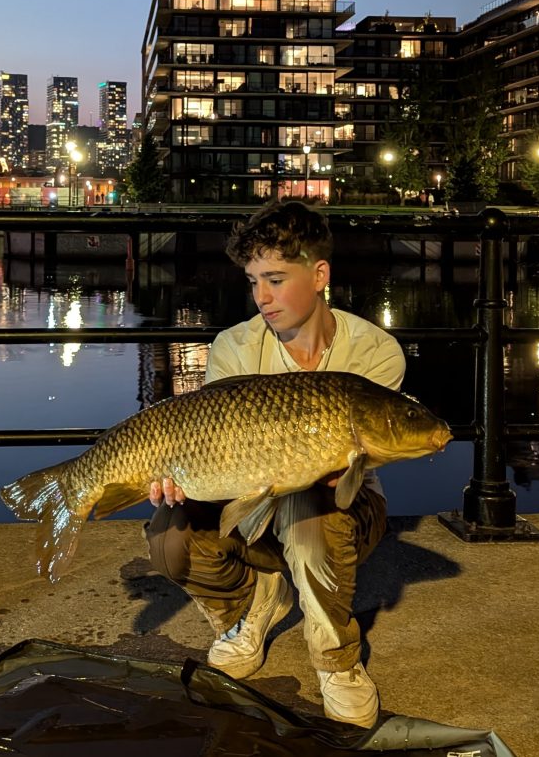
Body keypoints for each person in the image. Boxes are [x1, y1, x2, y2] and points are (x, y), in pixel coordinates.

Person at [145, 201, 406, 728]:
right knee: (169, 541)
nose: (262, 297)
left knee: (311, 515)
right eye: (253, 281)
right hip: (251, 496)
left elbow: (350, 469)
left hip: (346, 504)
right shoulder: (233, 347)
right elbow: (214, 448)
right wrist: (181, 477)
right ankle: (251, 608)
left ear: (319, 274)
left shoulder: (376, 353)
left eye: (276, 279)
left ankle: (338, 662)